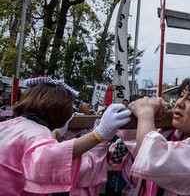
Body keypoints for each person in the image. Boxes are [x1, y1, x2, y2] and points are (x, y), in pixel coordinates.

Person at [0, 76, 131, 195]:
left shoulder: (8, 125)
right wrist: (99, 134)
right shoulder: (37, 133)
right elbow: (47, 159)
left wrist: (57, 134)